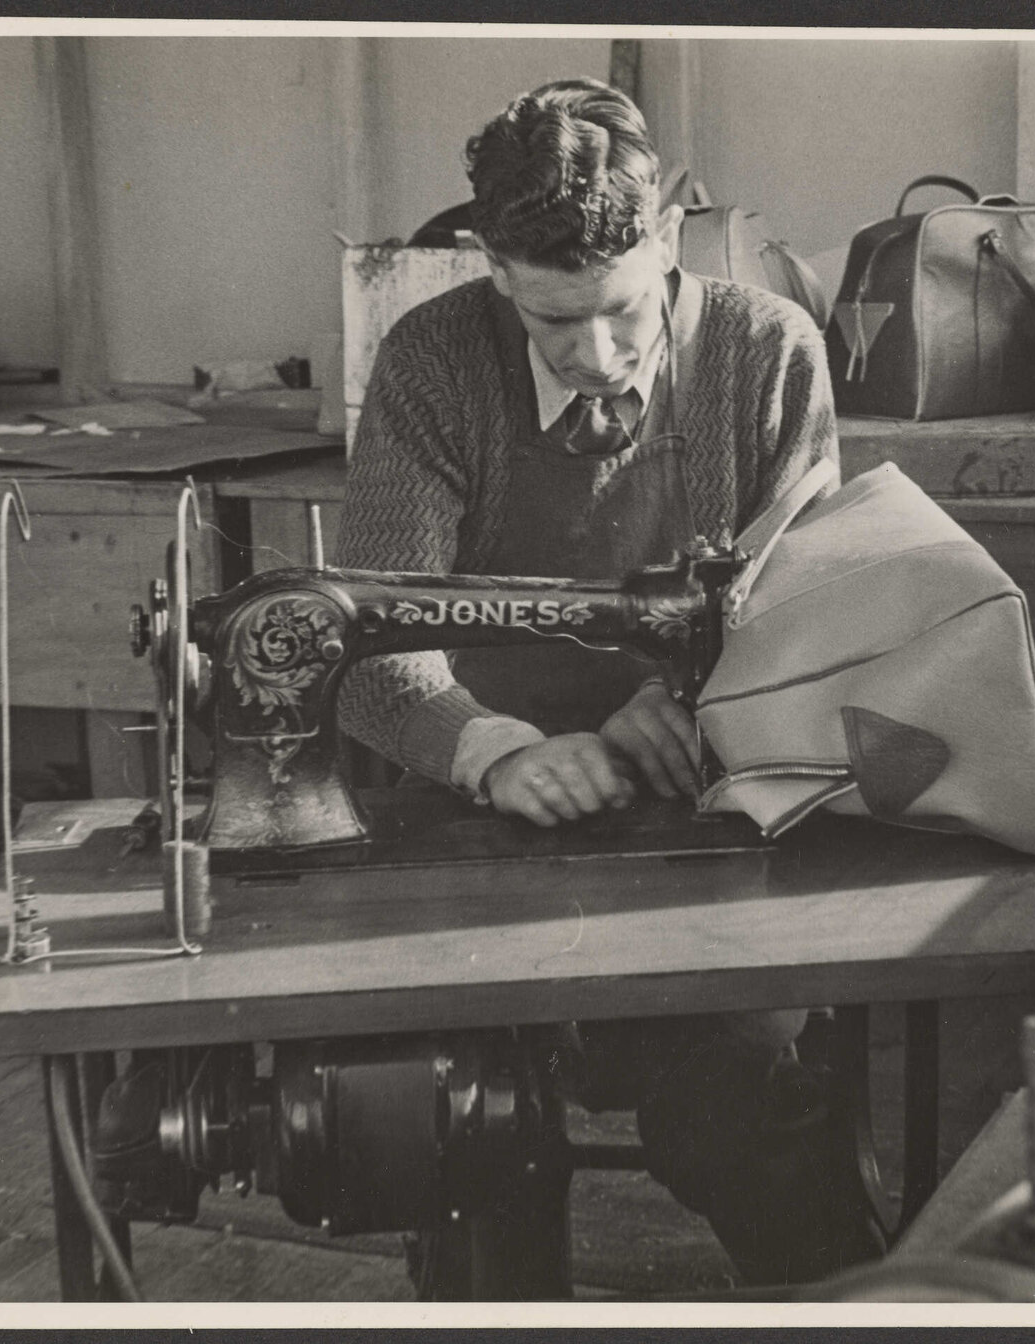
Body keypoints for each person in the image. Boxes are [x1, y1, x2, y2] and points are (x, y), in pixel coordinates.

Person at [336, 77, 883, 1290]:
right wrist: (494, 750)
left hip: (699, 814)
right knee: (466, 1131)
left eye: (625, 314)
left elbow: (812, 613)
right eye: (550, 327)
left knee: (740, 1109)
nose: (596, 356)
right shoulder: (430, 363)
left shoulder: (765, 351)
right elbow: (372, 657)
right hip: (465, 827)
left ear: (672, 235)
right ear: (493, 271)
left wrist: (687, 703)